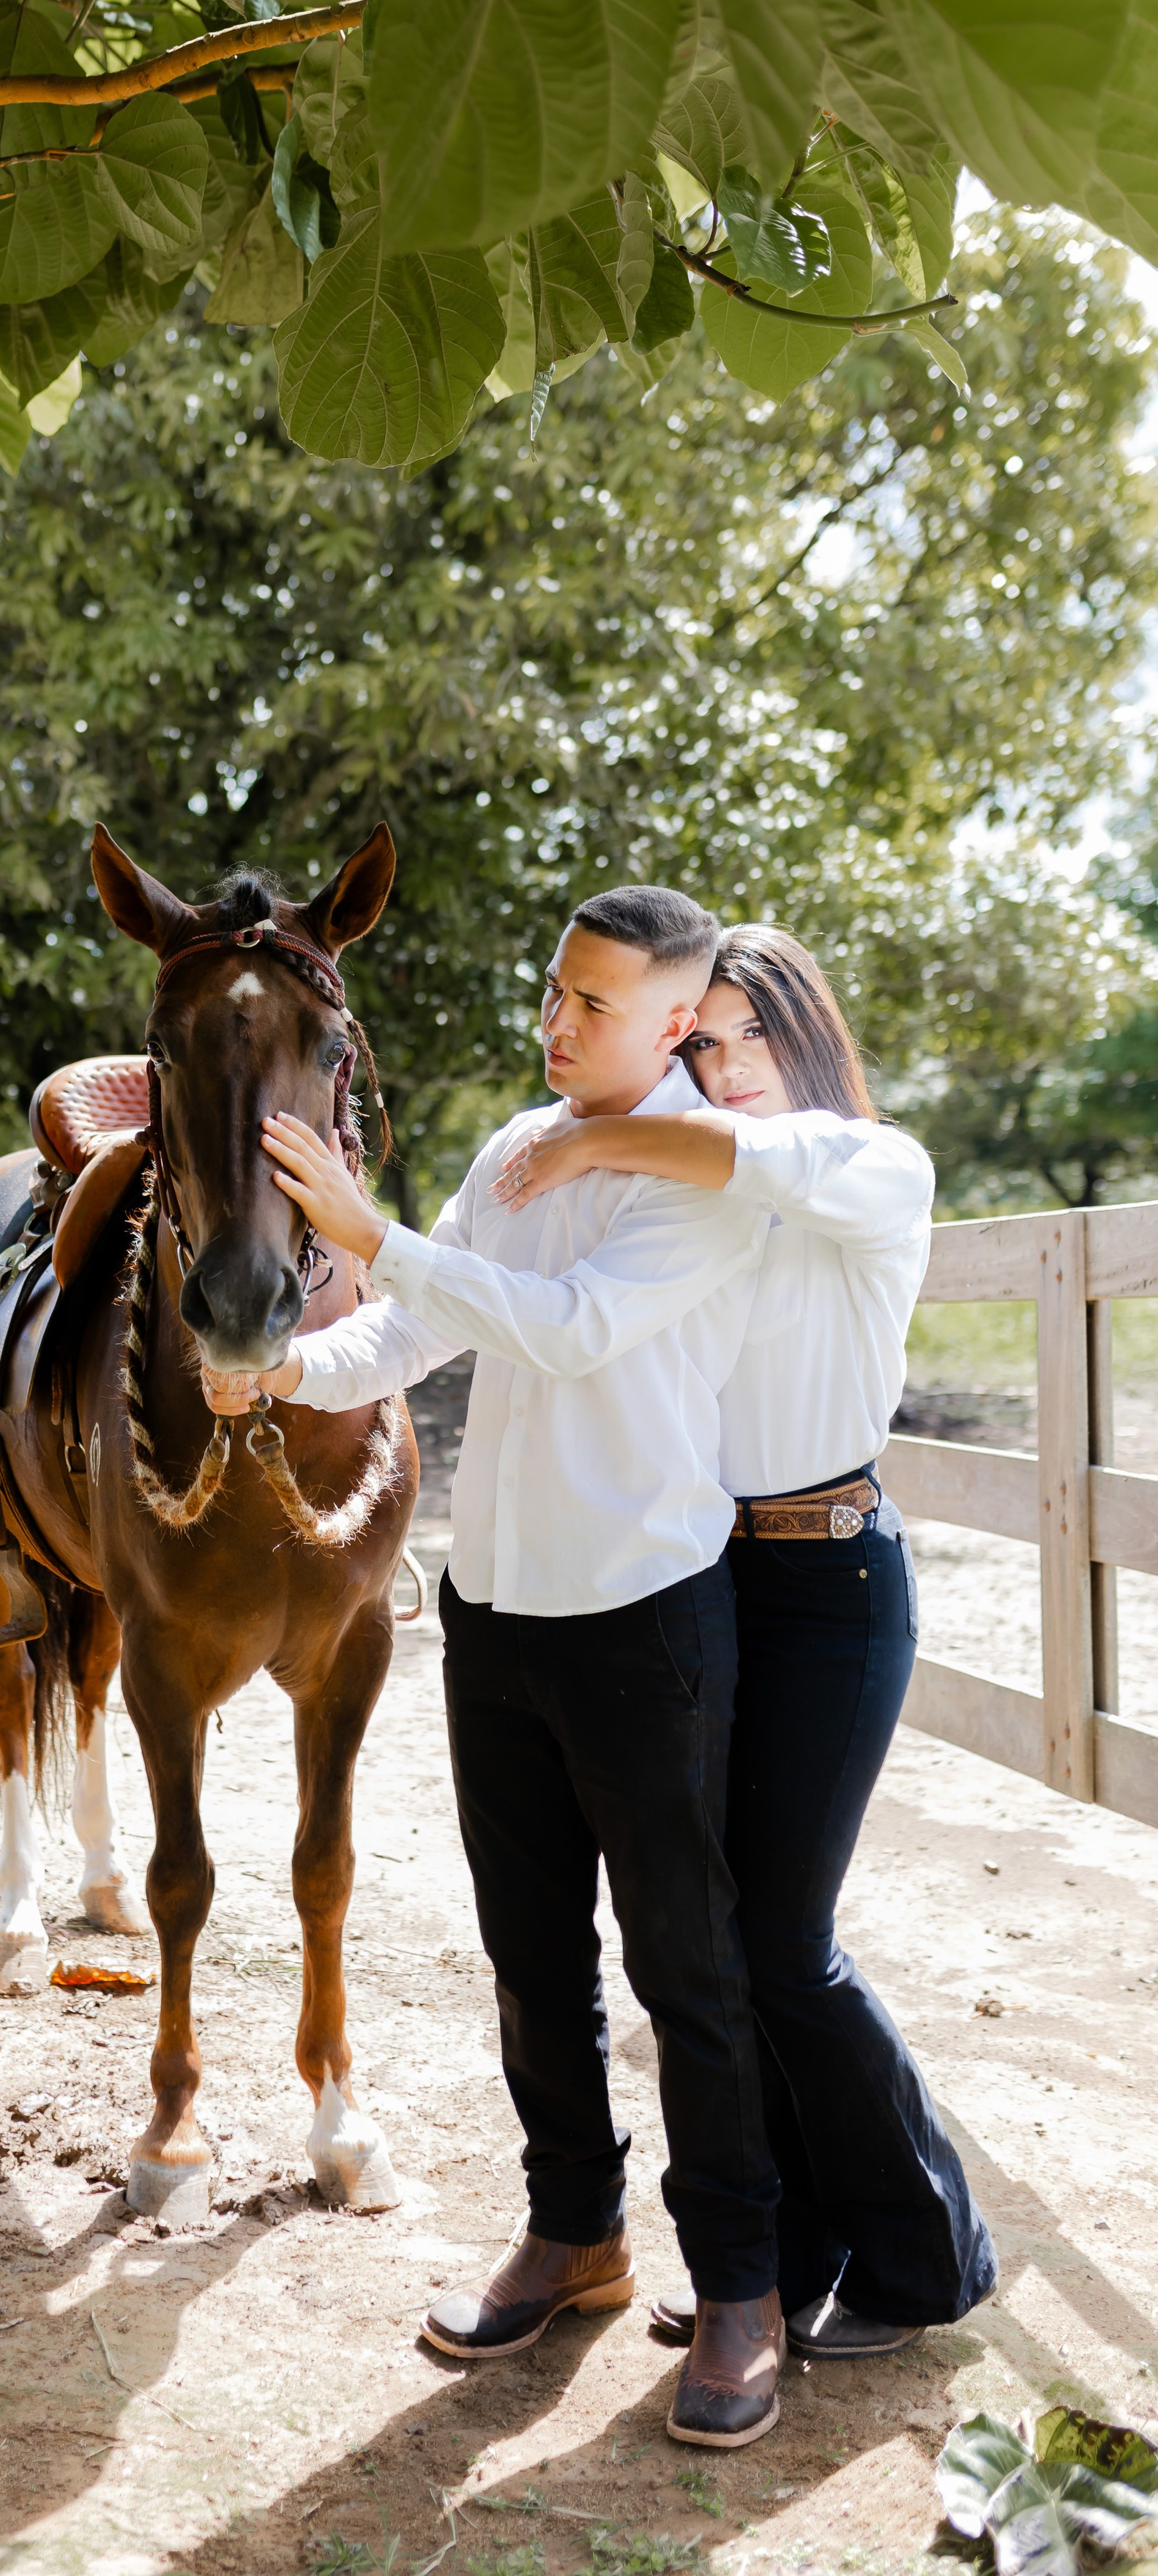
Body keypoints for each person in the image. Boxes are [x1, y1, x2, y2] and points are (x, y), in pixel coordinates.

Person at [243, 886, 789, 2451]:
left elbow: (562, 1331)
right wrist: (280, 1366)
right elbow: (404, 1335)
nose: (554, 1025)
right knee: (529, 1953)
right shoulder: (507, 1148)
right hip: (494, 1617)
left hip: (644, 1615)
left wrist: (373, 1232)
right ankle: (575, 2235)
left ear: (676, 1024)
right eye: (551, 990)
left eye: (594, 1006)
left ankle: (738, 2285)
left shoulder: (703, 1173)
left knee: (687, 1969)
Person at [485, 924, 996, 2358]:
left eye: (738, 1038)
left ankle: (922, 2251)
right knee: (717, 1936)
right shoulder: (692, 1194)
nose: (714, 1068)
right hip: (705, 1583)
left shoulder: (866, 1165)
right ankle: (776, 2255)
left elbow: (751, 1162)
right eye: (691, 1045)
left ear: (801, 1033)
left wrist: (592, 1145)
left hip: (830, 1584)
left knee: (783, 1940)